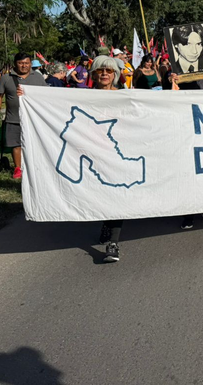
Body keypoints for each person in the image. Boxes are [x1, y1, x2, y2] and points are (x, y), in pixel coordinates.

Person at [86, 56, 125, 263]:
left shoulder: (123, 96)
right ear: (93, 74)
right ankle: (105, 220)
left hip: (116, 152)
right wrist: (27, 95)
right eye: (100, 71)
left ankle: (113, 243)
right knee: (101, 194)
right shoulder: (84, 97)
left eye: (109, 71)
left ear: (115, 75)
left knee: (116, 194)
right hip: (93, 152)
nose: (104, 74)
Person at [0, 52, 47, 179]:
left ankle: (36, 166)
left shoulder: (38, 77)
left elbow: (46, 94)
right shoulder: (6, 78)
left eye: (26, 63)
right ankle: (18, 168)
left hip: (34, 118)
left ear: (30, 64)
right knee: (16, 144)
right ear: (15, 64)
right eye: (21, 63)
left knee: (35, 143)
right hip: (13, 118)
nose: (24, 66)